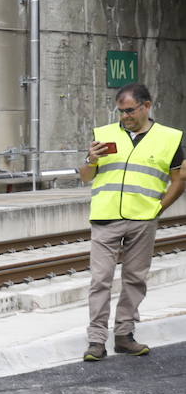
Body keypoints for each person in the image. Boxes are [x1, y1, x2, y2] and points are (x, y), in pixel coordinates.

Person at [78, 83, 184, 361]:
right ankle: (96, 341)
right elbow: (86, 176)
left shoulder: (169, 138)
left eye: (130, 110)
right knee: (100, 279)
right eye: (120, 111)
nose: (124, 116)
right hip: (105, 216)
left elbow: (180, 179)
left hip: (142, 219)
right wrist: (90, 159)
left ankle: (124, 335)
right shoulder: (103, 134)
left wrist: (158, 208)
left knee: (135, 279)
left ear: (147, 106)